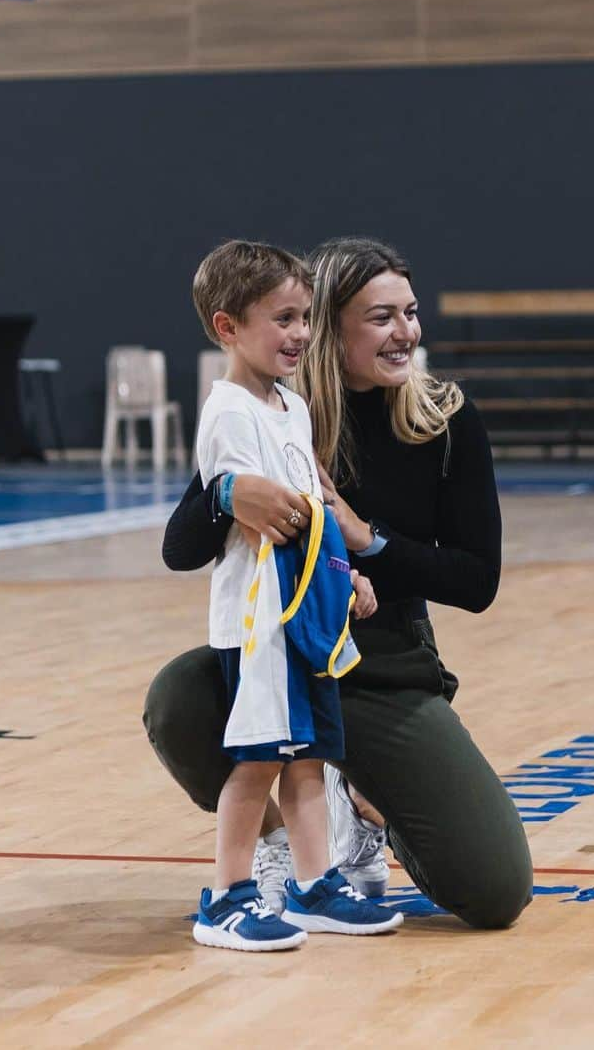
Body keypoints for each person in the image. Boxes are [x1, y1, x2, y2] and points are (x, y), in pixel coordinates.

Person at [144, 237, 533, 930]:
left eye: (410, 313)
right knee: (178, 699)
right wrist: (226, 494)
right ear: (328, 325)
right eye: (382, 317)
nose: (406, 332)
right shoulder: (274, 414)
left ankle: (364, 808)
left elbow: (478, 580)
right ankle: (281, 850)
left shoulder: (445, 419)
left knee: (496, 889)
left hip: (386, 669)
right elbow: (180, 546)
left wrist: (366, 538)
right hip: (284, 652)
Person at [186, 238, 403, 953]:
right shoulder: (228, 413)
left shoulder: (291, 408)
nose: (301, 333)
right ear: (228, 327)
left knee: (307, 759)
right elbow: (276, 517)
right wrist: (322, 556)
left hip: (302, 615)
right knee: (259, 761)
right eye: (283, 318)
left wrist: (348, 576)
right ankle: (226, 896)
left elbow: (314, 504)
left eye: (306, 317)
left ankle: (316, 884)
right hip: (259, 625)